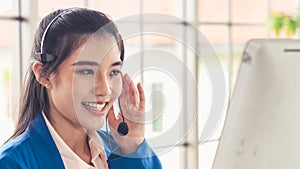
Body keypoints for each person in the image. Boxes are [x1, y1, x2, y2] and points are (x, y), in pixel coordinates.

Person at [0, 7, 162, 169]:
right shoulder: (12, 164)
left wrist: (133, 149)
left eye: (113, 72)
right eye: (86, 71)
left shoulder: (120, 150)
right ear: (44, 75)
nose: (104, 90)